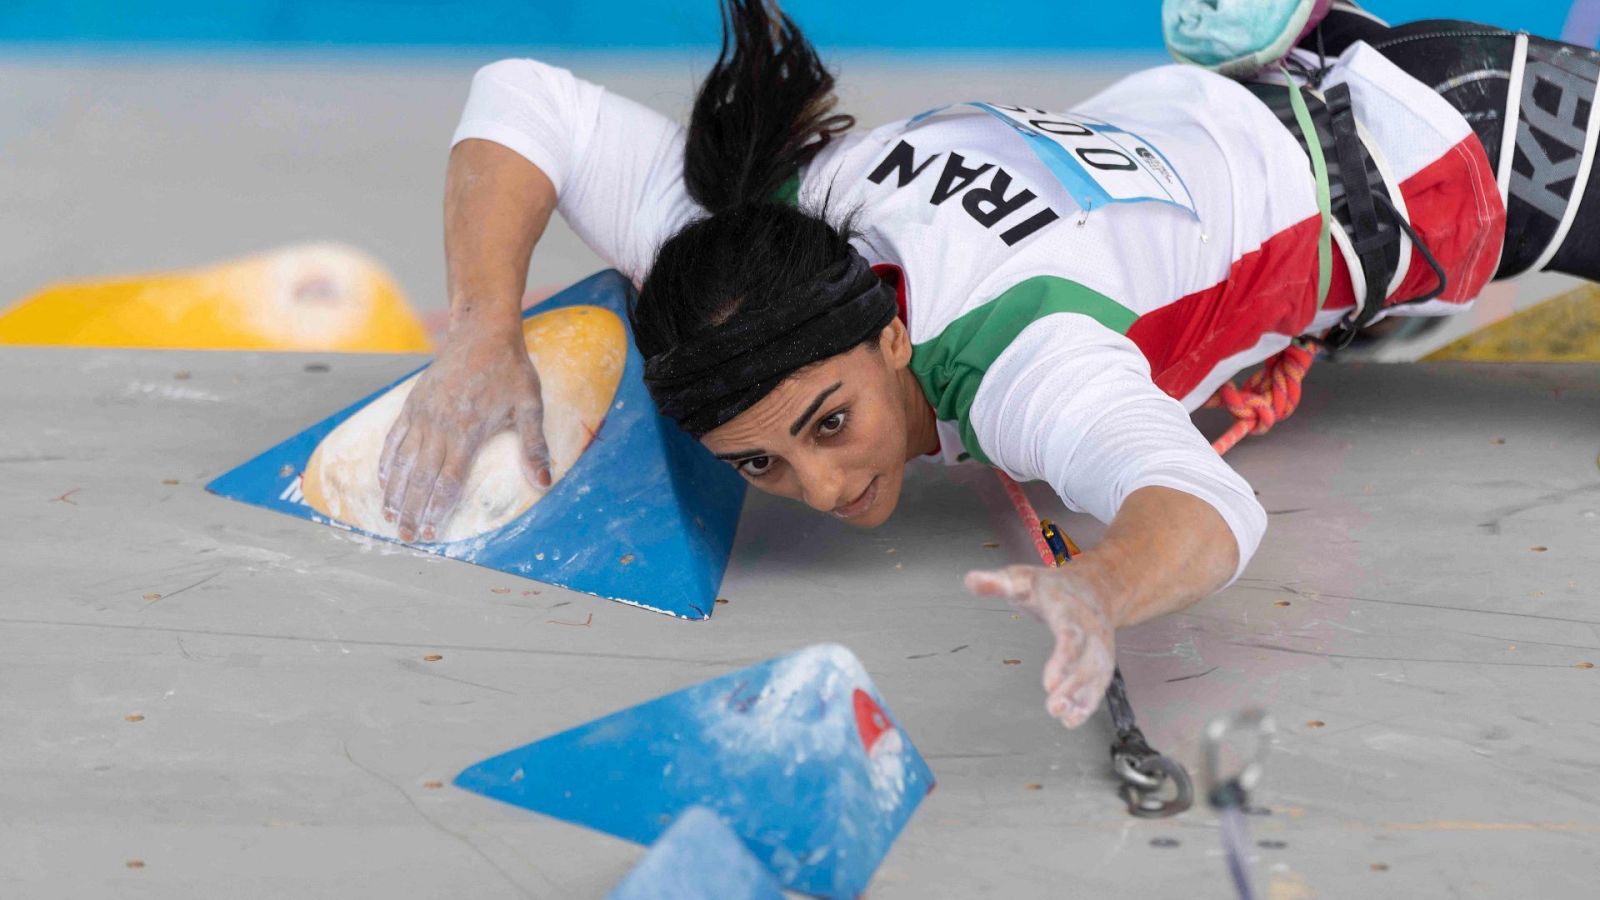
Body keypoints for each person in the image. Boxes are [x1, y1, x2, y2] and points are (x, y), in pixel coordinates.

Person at [376, 1, 1600, 729]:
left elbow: (1208, 509)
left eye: (827, 422)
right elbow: (526, 98)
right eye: (757, 462)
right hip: (1254, 109)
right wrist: (483, 327)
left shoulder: (1023, 364)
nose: (819, 485)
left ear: (892, 336)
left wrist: (1105, 588)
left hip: (1460, 156)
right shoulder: (744, 247)